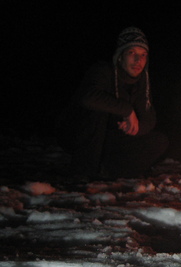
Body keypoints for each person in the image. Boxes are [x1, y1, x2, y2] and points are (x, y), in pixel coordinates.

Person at [56, 27, 169, 179]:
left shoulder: (142, 81)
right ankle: (83, 171)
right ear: (120, 56)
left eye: (143, 55)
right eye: (132, 53)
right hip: (80, 134)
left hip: (113, 139)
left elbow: (149, 118)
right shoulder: (103, 71)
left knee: (159, 141)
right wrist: (127, 110)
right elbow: (88, 97)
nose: (138, 60)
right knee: (97, 110)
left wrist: (136, 128)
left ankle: (112, 171)